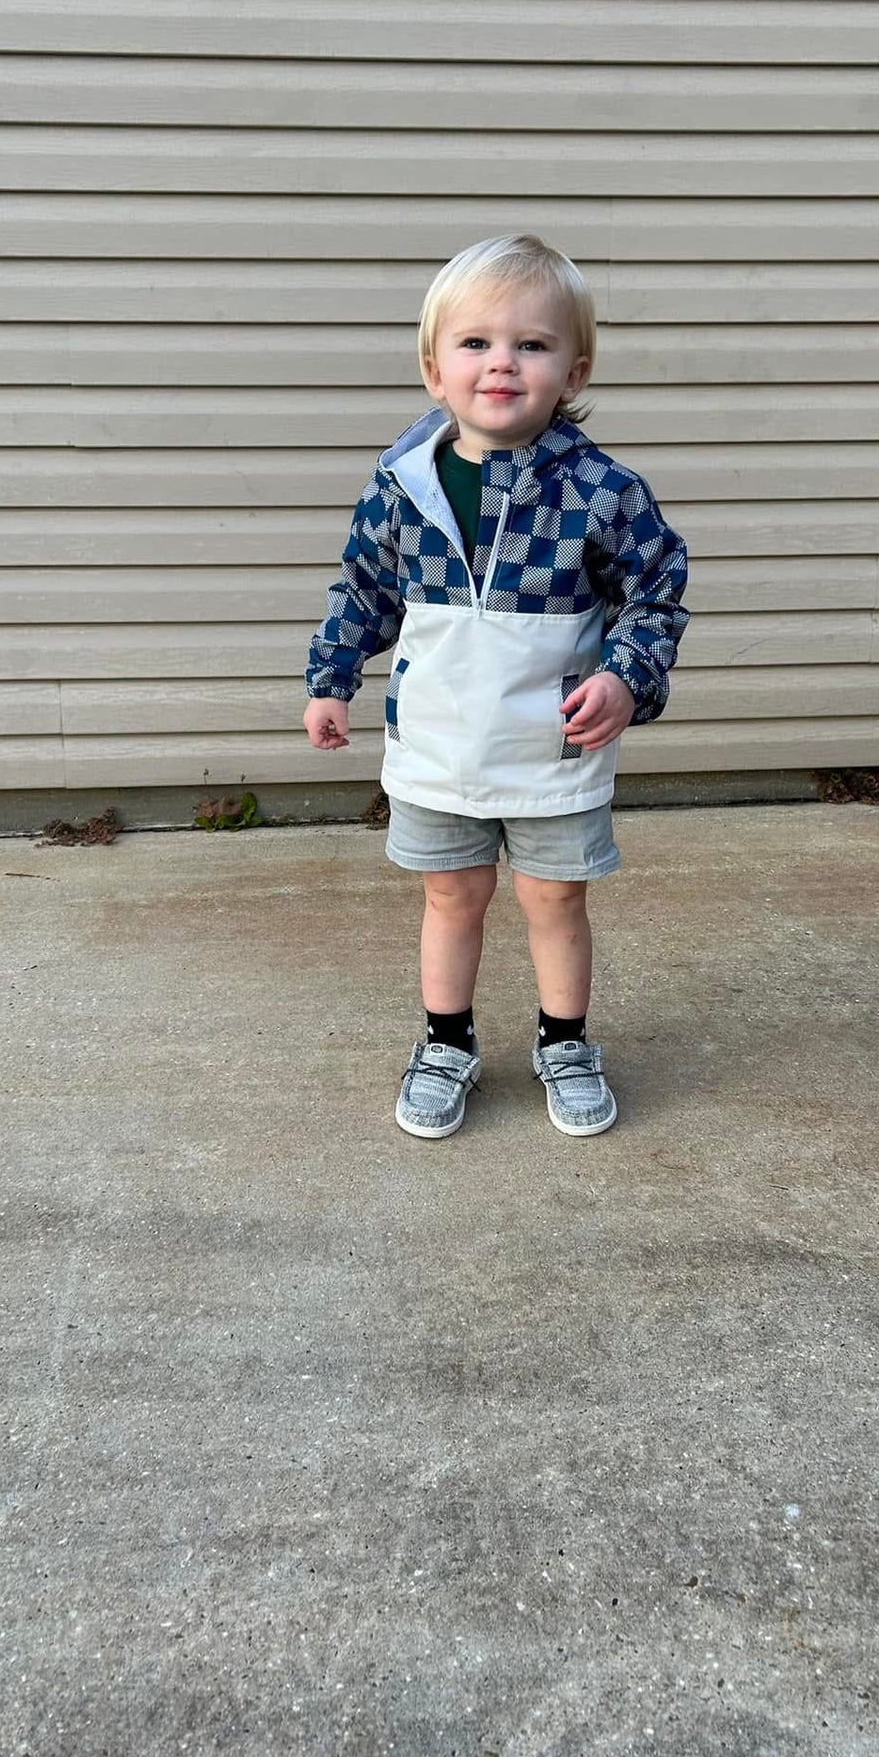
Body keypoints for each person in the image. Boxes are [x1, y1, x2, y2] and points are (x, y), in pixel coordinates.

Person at [303, 234, 689, 1140]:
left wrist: (625, 679)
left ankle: (564, 1041)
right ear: (434, 370)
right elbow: (362, 590)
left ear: (573, 368)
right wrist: (330, 678)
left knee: (554, 898)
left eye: (532, 344)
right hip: (437, 742)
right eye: (474, 343)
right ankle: (445, 1042)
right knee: (452, 896)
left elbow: (654, 593)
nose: (501, 363)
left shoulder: (602, 491)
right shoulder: (401, 487)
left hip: (554, 742)